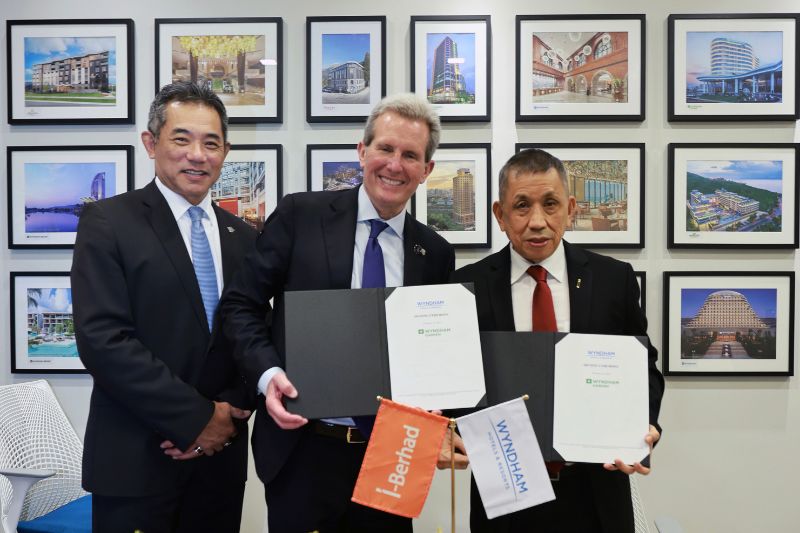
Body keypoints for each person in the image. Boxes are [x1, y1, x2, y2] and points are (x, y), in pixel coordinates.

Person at [220, 93, 466, 532]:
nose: (394, 164)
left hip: (393, 455)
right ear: (362, 150)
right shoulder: (301, 215)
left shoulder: (435, 252)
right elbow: (241, 305)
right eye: (385, 148)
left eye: (410, 155)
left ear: (426, 170)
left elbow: (434, 355)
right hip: (304, 450)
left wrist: (443, 421)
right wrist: (265, 373)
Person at [71, 82, 257, 533]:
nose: (197, 154)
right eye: (182, 139)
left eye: (211, 143)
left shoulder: (246, 237)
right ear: (151, 143)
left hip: (219, 463)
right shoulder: (108, 223)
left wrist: (229, 412)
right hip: (136, 460)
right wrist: (196, 421)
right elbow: (103, 341)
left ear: (225, 152)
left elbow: (255, 331)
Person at [452, 148, 665, 533]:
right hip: (503, 493)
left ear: (570, 208)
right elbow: (452, 383)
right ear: (500, 215)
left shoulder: (613, 280)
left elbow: (642, 368)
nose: (538, 221)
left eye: (550, 204)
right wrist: (448, 431)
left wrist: (645, 424)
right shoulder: (466, 287)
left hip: (596, 492)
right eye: (521, 206)